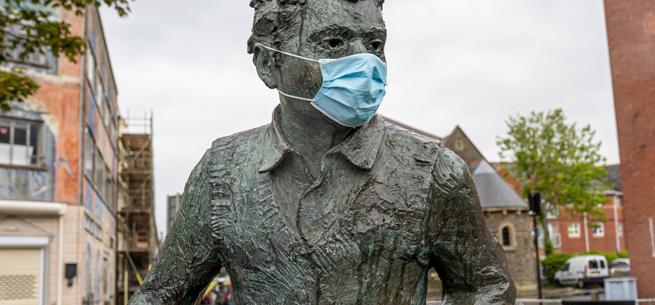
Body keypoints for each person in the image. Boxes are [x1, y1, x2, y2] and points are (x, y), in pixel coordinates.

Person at [129, 0, 515, 304]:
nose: (365, 62)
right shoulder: (222, 173)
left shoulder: (432, 172)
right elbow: (160, 295)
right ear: (268, 64)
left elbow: (485, 288)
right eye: (333, 43)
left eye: (375, 45)